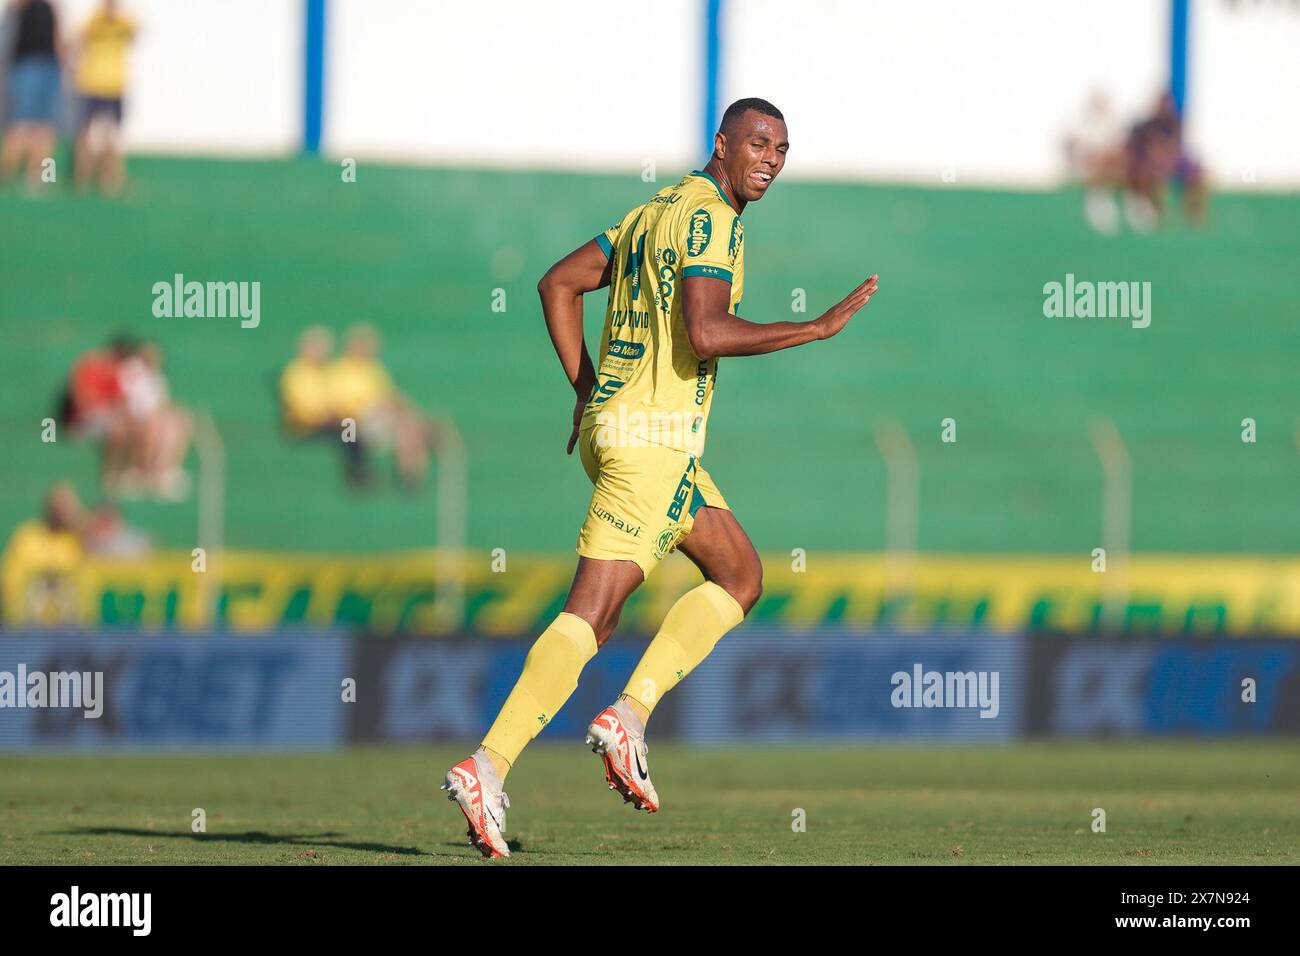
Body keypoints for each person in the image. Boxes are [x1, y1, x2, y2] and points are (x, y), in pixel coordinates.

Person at [441, 98, 880, 858]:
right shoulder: (712, 217)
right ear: (723, 143)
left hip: (645, 441)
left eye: (782, 147)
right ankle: (491, 762)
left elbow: (556, 284)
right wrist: (813, 327)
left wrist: (587, 391)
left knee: (739, 575)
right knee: (594, 611)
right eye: (757, 143)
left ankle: (630, 716)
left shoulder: (654, 213)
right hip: (648, 443)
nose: (771, 158)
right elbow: (705, 330)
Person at [328, 323, 436, 489]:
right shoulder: (339, 370)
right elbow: (338, 405)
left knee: (409, 429)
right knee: (404, 428)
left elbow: (390, 395)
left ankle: (411, 474)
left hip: (380, 420)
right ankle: (407, 476)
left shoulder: (374, 369)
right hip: (353, 423)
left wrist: (405, 409)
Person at [279, 325, 368, 486]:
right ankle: (355, 475)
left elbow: (336, 401)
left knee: (351, 430)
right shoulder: (296, 372)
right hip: (306, 426)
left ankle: (358, 471)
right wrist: (326, 416)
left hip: (329, 422)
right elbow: (300, 407)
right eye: (317, 348)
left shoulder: (326, 372)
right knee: (347, 433)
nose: (321, 353)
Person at [71, 0, 136, 195]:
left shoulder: (124, 22)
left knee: (113, 134)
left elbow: (136, 34)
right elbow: (78, 40)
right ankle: (81, 178)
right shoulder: (93, 21)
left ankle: (110, 179)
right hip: (91, 83)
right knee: (86, 132)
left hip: (115, 85)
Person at [1, 482, 84, 625]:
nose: (63, 512)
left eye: (68, 508)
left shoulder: (75, 541)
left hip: (65, 625)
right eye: (60, 507)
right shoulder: (27, 536)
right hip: (28, 623)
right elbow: (10, 579)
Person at [0, 0, 62, 192]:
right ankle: (6, 175)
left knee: (45, 125)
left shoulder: (50, 7)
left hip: (50, 65)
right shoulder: (19, 6)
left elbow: (57, 35)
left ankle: (43, 178)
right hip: (26, 65)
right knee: (20, 122)